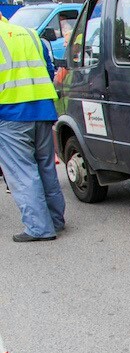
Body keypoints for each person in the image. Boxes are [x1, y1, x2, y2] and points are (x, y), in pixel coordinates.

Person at [0, 13, 65, 242]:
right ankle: (56, 220)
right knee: (46, 167)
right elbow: (49, 69)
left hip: (10, 113)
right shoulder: (29, 34)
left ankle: (39, 227)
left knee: (22, 173)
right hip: (42, 109)